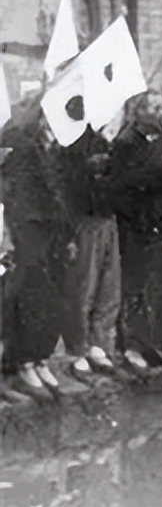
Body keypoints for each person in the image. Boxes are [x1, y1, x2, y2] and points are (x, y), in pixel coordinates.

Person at [0, 102, 68, 392]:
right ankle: (24, 361)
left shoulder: (53, 146)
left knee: (48, 299)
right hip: (28, 231)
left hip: (50, 232)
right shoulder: (19, 145)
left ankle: (40, 357)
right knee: (27, 298)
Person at [111, 90, 162, 366]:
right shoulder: (126, 142)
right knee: (134, 286)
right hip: (135, 223)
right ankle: (130, 345)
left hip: (156, 222)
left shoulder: (159, 141)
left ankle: (150, 341)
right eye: (153, 107)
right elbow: (128, 180)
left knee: (153, 285)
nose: (160, 113)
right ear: (138, 112)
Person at [58, 126, 120, 375]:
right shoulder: (69, 143)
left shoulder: (103, 141)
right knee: (83, 286)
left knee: (108, 286)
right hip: (84, 218)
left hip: (107, 216)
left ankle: (99, 342)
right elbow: (66, 186)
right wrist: (88, 168)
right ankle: (78, 348)